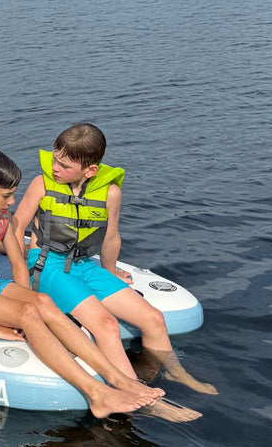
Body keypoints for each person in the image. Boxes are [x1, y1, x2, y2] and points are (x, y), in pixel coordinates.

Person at [0, 147, 199, 422]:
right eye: (6, 196)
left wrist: (31, 301)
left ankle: (119, 379)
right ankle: (97, 393)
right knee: (28, 315)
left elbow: (17, 263)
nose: (12, 202)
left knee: (43, 304)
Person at [12, 123, 216, 395]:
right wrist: (21, 282)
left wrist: (110, 272)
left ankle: (175, 372)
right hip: (47, 265)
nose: (54, 168)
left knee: (153, 318)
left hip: (84, 265)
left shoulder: (110, 193)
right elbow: (16, 227)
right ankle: (137, 393)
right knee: (105, 324)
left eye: (64, 165)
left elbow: (110, 239)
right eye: (54, 159)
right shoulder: (41, 184)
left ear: (90, 170)